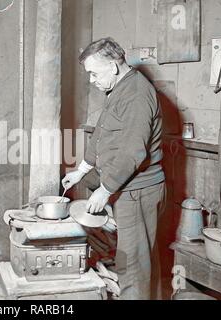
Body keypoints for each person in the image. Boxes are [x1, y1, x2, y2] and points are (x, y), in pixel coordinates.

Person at [62, 37, 166, 300]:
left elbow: (133, 151)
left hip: (138, 191)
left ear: (114, 66)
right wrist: (82, 170)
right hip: (126, 187)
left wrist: (105, 190)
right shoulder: (118, 88)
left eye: (94, 73)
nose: (91, 80)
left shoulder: (137, 95)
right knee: (138, 261)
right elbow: (101, 133)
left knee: (132, 266)